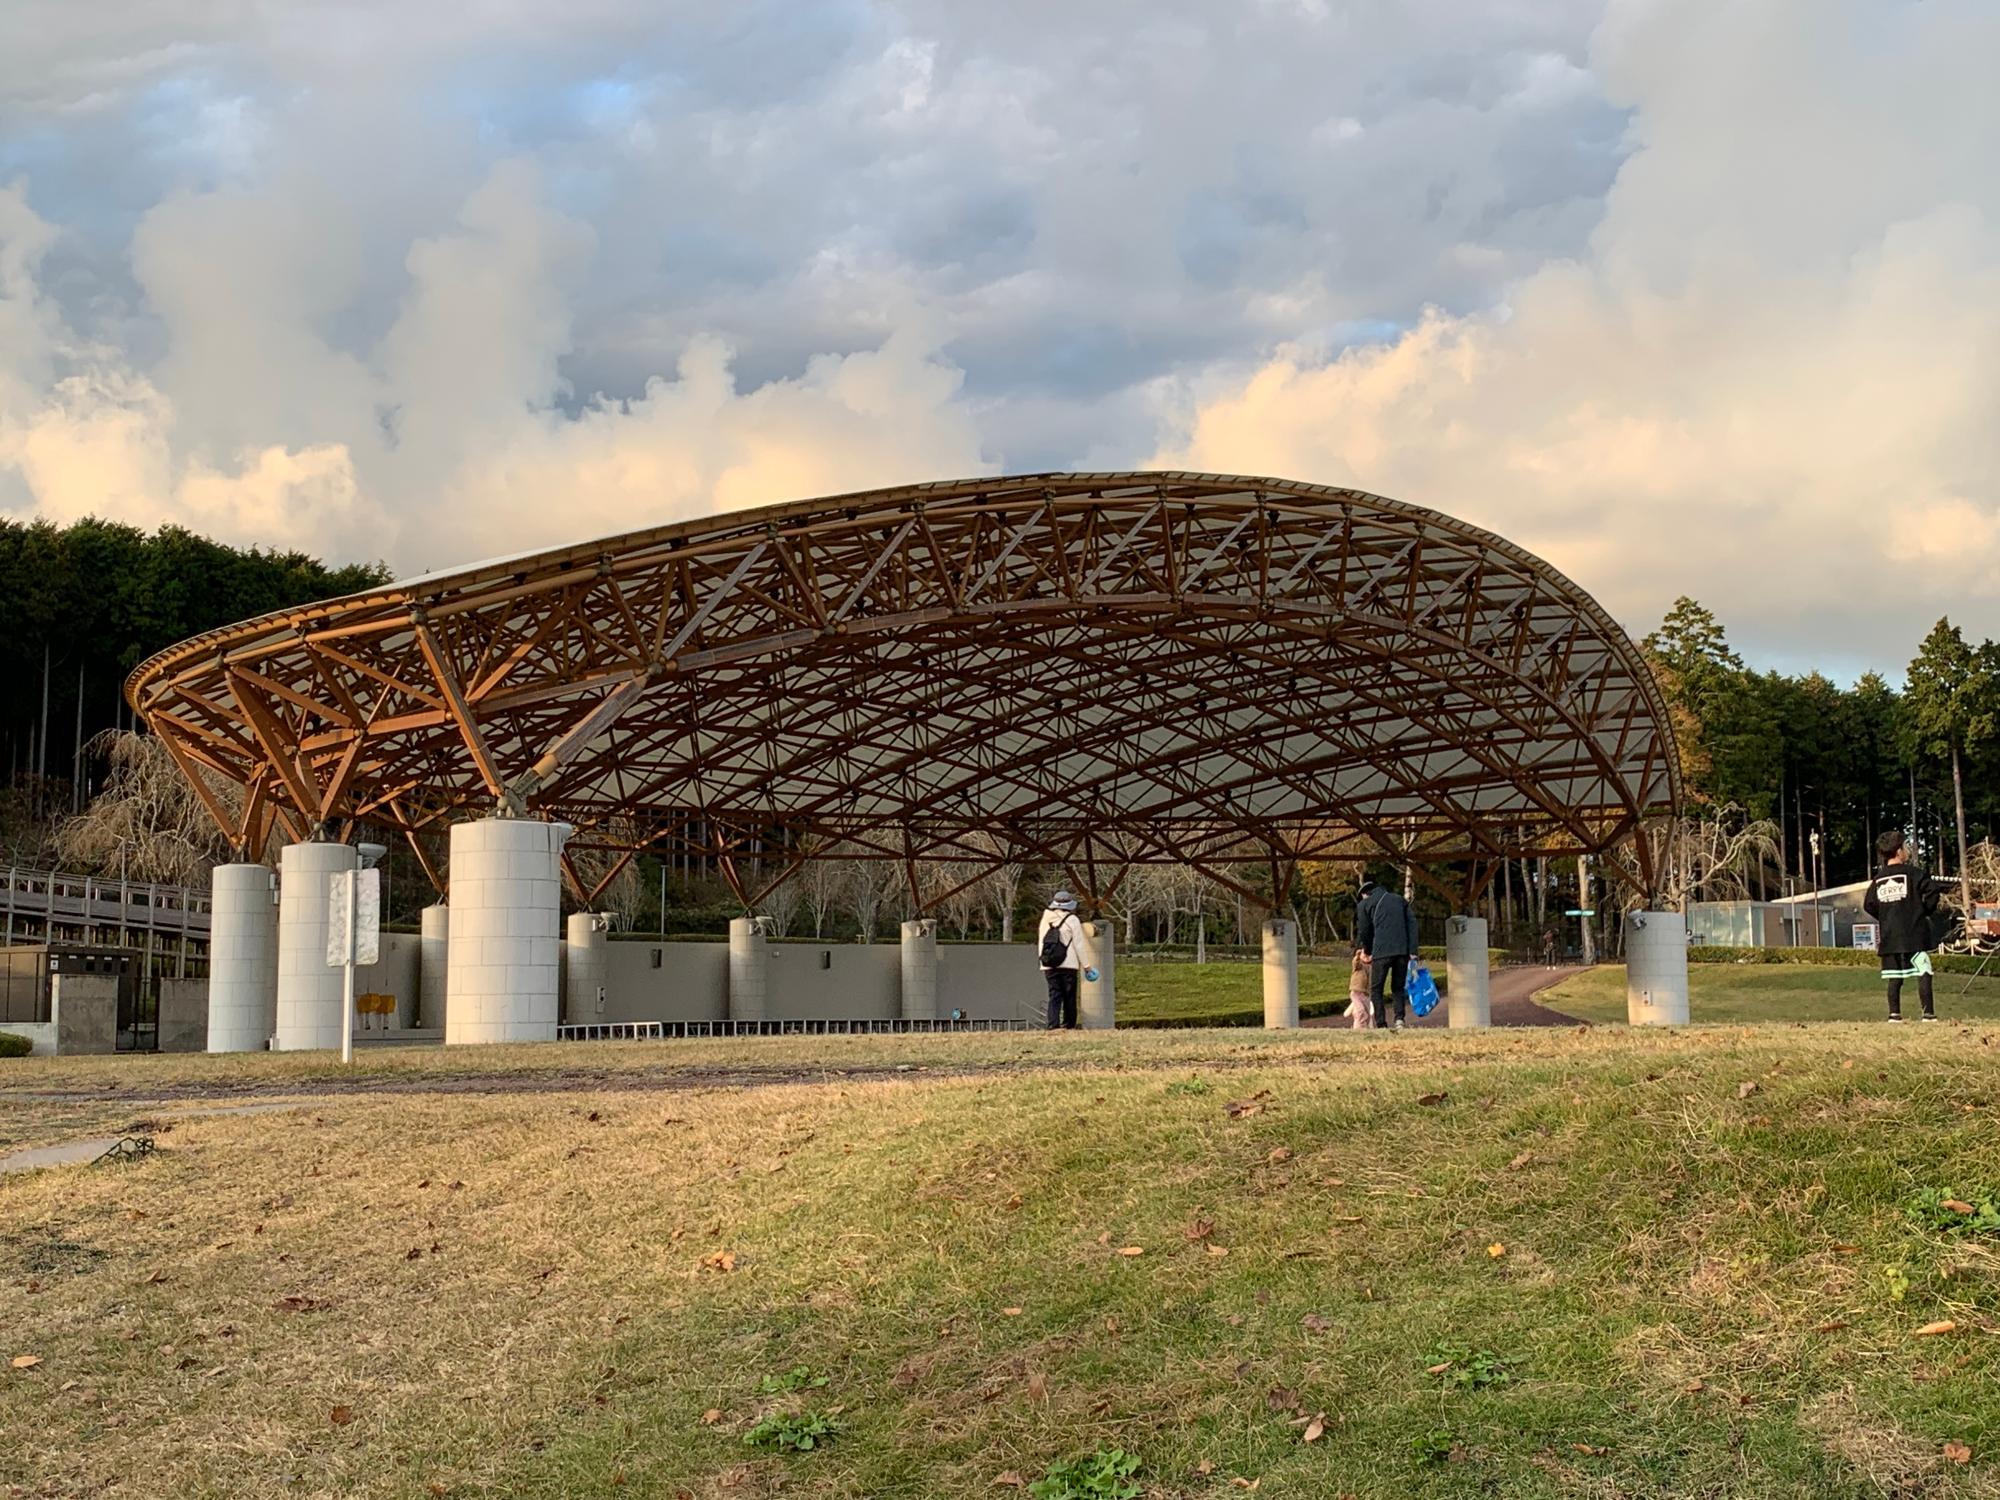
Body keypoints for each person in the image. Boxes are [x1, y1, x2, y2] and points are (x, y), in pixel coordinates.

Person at [1864, 830, 1943, 1023]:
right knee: (1924, 972)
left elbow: (1868, 904)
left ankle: (1894, 1015)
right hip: (1914, 934)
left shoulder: (1879, 879)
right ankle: (1928, 1014)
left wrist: (1885, 917)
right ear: (1899, 851)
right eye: (1906, 847)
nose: (1907, 850)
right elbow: (1933, 892)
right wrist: (1922, 911)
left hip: (1890, 937)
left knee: (1894, 977)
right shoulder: (1914, 874)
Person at [1355, 876, 1420, 1030]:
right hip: (1402, 951)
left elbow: (1364, 930)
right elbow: (1412, 924)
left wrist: (1367, 951)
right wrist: (1412, 951)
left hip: (1381, 951)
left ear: (1364, 894)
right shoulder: (1400, 900)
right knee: (1397, 987)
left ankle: (1381, 1024)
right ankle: (1399, 1020)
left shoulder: (1364, 904)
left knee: (1376, 989)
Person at [1036, 890, 1089, 1030]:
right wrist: (1087, 965)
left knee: (1054, 994)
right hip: (1068, 964)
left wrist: (1043, 960)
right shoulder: (1072, 920)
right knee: (1069, 996)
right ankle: (1068, 1024)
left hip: (1048, 963)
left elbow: (1041, 941)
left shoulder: (1045, 918)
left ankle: (1053, 1024)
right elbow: (1079, 944)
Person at [1347, 946, 1375, 1030]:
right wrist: (1358, 956)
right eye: (1364, 954)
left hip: (1366, 994)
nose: (1366, 956)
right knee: (1361, 1011)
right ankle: (1361, 1028)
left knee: (1367, 1012)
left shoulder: (1371, 967)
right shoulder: (1359, 965)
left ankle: (1363, 1027)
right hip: (1356, 992)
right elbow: (1355, 962)